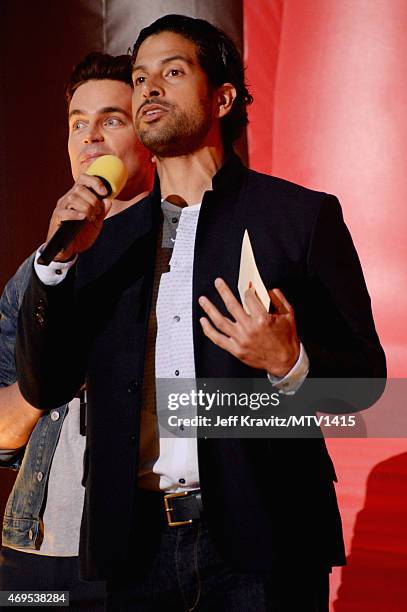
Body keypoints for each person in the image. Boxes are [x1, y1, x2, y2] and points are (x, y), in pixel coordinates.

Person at [15, 15, 386, 611]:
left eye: (173, 72)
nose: (149, 90)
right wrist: (54, 268)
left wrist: (290, 364)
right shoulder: (101, 242)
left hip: (266, 547)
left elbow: (367, 386)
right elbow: (45, 382)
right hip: (133, 551)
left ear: (223, 96)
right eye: (139, 80)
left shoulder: (298, 218)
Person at [0, 51, 152, 609]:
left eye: (111, 119)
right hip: (36, 548)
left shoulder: (180, 252)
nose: (90, 138)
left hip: (146, 548)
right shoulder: (39, 269)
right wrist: (56, 368)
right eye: (77, 124)